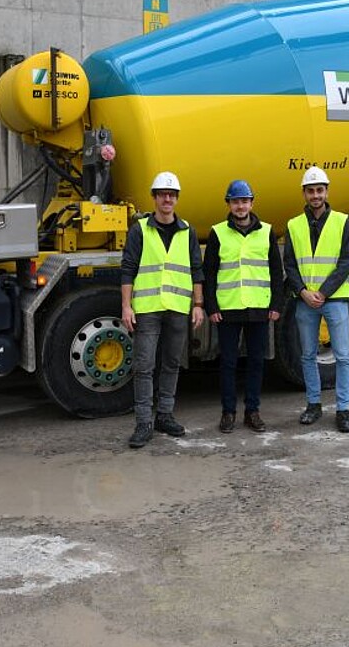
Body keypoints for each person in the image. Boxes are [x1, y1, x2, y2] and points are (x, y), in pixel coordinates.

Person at [120, 171, 206, 448]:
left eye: (171, 195)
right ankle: (143, 422)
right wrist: (126, 306)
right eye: (162, 194)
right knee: (144, 366)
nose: (167, 199)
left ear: (176, 199)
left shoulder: (187, 231)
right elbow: (128, 270)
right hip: (147, 309)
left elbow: (196, 269)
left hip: (178, 308)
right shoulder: (140, 230)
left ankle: (165, 416)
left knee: (171, 364)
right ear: (154, 198)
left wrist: (198, 305)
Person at [204, 179, 285, 434]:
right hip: (227, 309)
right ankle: (228, 412)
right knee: (227, 363)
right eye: (236, 201)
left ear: (251, 203)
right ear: (229, 204)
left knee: (256, 363)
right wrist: (211, 306)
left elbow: (275, 271)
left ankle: (253, 411)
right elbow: (210, 273)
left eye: (244, 201)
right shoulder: (217, 232)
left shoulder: (266, 231)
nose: (240, 206)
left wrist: (275, 304)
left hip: (259, 308)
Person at [284, 166, 349, 433]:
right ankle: (313, 405)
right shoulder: (293, 225)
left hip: (334, 299)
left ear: (326, 192)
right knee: (307, 356)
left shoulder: (342, 221)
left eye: (319, 190)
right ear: (304, 193)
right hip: (305, 301)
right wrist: (303, 291)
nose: (315, 195)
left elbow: (347, 261)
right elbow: (289, 263)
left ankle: (343, 409)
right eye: (311, 191)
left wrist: (323, 293)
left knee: (342, 356)